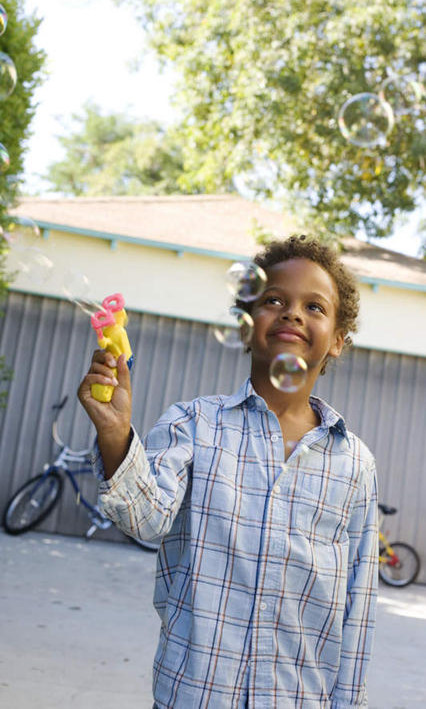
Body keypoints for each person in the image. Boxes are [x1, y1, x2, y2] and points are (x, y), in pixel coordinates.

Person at [78, 235, 378, 708]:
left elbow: (358, 605)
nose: (292, 313)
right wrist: (115, 434)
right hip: (195, 696)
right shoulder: (194, 423)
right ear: (246, 325)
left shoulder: (355, 462)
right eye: (273, 299)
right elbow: (145, 519)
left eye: (314, 307)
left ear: (339, 340)